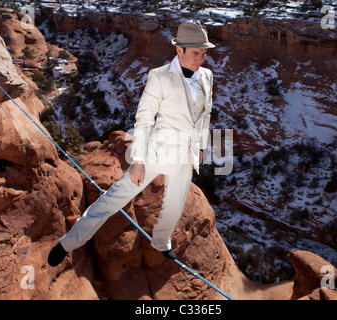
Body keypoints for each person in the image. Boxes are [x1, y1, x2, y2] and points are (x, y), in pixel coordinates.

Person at [48, 21, 215, 267]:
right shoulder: (159, 76)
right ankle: (69, 242)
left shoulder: (207, 76)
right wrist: (137, 161)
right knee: (114, 198)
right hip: (155, 153)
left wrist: (200, 147)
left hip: (184, 156)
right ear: (179, 50)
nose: (201, 59)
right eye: (195, 53)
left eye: (204, 53)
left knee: (174, 206)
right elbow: (144, 119)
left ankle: (161, 241)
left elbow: (205, 115)